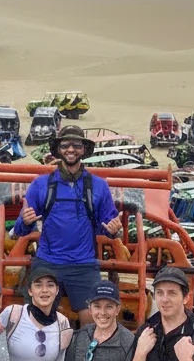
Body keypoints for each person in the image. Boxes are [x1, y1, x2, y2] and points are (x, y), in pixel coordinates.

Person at [12, 125, 122, 325]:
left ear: (84, 150)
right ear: (58, 149)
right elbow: (21, 229)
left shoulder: (99, 186)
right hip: (47, 262)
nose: (71, 149)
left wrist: (114, 231)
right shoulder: (40, 184)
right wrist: (25, 221)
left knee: (94, 320)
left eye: (76, 145)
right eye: (65, 145)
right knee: (34, 318)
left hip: (84, 265)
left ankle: (87, 355)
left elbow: (108, 224)